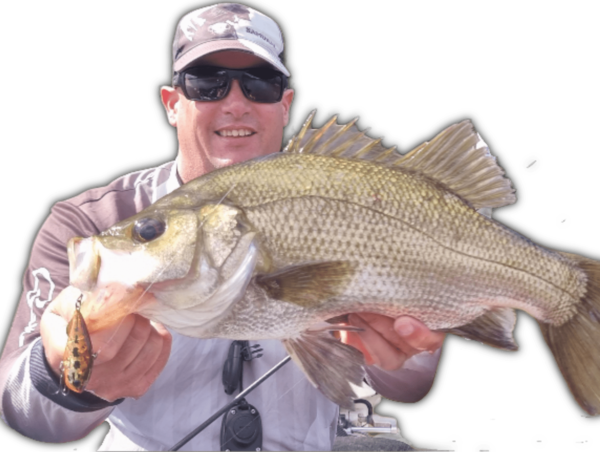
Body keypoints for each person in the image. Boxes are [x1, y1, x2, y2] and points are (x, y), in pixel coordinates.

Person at [0, 3, 445, 450]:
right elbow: (25, 414)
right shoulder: (91, 220)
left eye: (261, 84)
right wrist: (64, 375)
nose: (235, 103)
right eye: (207, 83)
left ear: (286, 105)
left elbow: (411, 387)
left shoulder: (363, 202)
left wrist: (400, 353)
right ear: (173, 104)